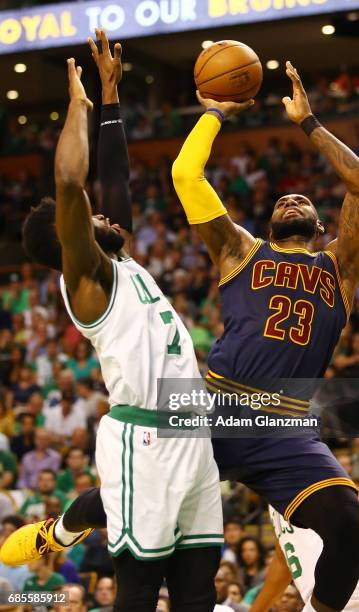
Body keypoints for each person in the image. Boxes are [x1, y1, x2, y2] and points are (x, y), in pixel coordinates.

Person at [1, 30, 223, 611]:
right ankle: (62, 531)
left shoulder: (116, 253)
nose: (106, 212)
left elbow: (115, 181)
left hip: (188, 426)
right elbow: (72, 184)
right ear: (70, 240)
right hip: (144, 437)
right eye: (91, 217)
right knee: (141, 588)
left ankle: (61, 529)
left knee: (200, 583)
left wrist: (110, 94)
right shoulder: (87, 279)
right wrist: (79, 103)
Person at [172, 61, 359, 612]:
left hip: (286, 429)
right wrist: (214, 112)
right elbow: (186, 176)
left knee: (349, 526)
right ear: (267, 226)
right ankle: (63, 529)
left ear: (320, 228)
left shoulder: (340, 268)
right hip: (217, 409)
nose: (291, 199)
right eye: (282, 201)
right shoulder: (240, 251)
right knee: (144, 499)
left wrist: (309, 123)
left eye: (303, 202)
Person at [250, 504, 359, 611]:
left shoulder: (304, 469)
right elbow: (282, 559)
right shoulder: (274, 496)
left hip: (350, 590)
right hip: (332, 597)